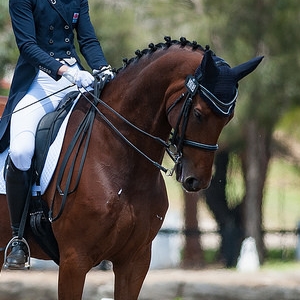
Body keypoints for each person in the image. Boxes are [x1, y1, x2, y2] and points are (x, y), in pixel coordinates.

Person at [0, 0, 114, 270]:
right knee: (21, 150)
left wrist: (101, 67)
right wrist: (64, 72)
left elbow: (87, 39)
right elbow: (27, 46)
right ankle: (17, 238)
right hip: (39, 81)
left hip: (76, 76)